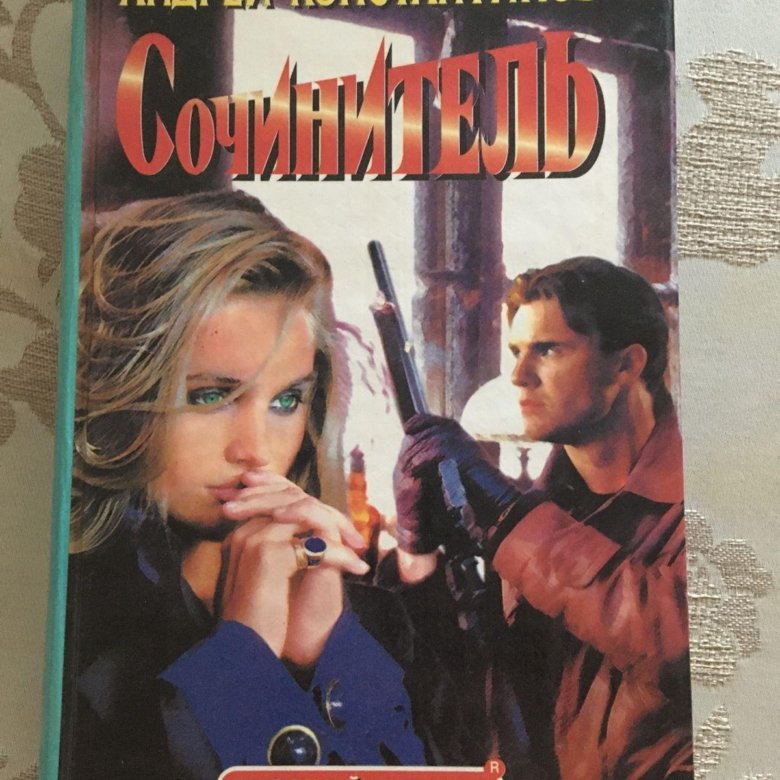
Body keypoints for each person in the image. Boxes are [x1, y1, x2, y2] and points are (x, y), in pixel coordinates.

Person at [62, 191, 473, 779]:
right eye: (210, 396)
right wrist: (241, 663)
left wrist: (327, 657)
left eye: (285, 401)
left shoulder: (371, 624)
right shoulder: (62, 629)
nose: (254, 449)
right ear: (120, 392)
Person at [384, 257, 693, 780]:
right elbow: (463, 706)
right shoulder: (533, 520)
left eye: (547, 350)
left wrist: (512, 520)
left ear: (626, 365)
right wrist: (417, 551)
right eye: (516, 351)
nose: (518, 376)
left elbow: (689, 650)